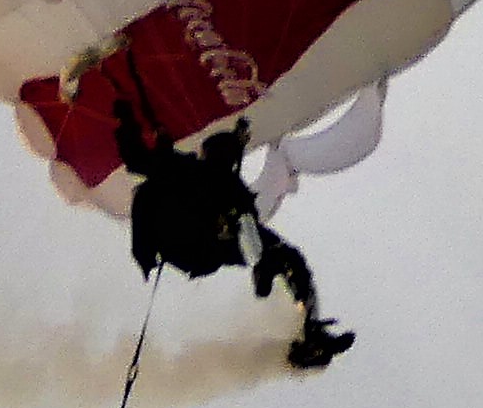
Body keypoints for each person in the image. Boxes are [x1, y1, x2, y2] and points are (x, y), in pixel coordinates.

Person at [113, 108, 355, 369]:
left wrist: (128, 122)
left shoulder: (215, 184)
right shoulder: (197, 176)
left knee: (282, 253)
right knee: (274, 248)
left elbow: (137, 158)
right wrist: (127, 121)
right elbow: (137, 159)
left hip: (199, 246)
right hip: (185, 239)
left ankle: (309, 327)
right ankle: (305, 320)